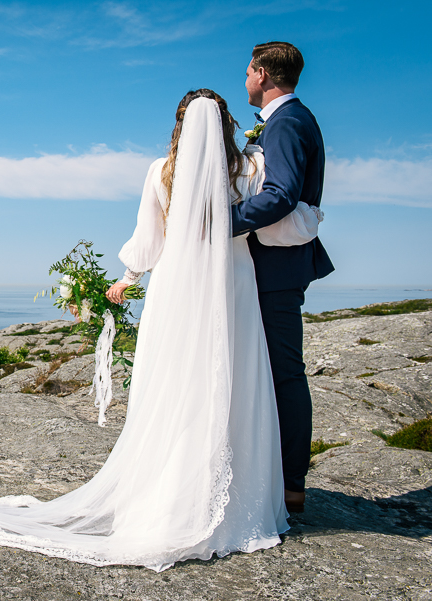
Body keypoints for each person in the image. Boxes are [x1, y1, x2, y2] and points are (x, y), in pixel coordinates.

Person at [0, 91, 291, 571]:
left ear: (179, 124)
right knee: (232, 375)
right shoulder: (249, 168)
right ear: (225, 123)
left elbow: (149, 239)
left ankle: (170, 492)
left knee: (175, 383)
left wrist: (127, 278)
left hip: (177, 283)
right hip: (233, 281)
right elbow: (270, 219)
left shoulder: (163, 170)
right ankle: (237, 497)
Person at [230, 42, 334, 512]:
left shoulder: (287, 122)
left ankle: (292, 486)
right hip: (270, 265)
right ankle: (271, 475)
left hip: (275, 269)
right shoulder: (286, 121)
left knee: (285, 375)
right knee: (267, 371)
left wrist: (219, 220)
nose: (246, 79)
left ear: (263, 73)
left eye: (249, 71)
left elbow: (281, 194)